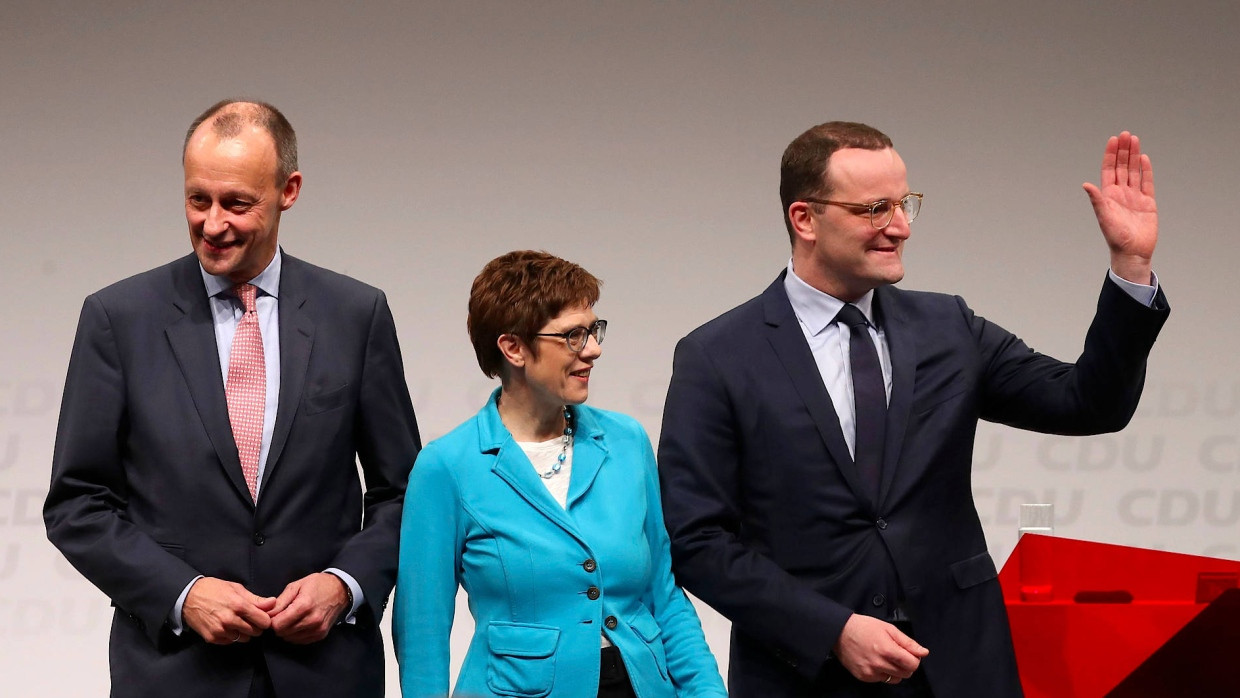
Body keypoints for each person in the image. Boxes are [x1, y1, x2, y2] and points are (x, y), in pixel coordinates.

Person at [656, 122, 1169, 697]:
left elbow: (1089, 403)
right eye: (875, 208)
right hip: (808, 675)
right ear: (804, 219)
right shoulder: (718, 355)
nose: (899, 227)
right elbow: (696, 538)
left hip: (961, 668)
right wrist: (833, 630)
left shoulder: (948, 328)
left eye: (904, 204)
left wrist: (1130, 266)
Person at [44, 99, 422, 697]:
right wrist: (182, 594)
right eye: (198, 200)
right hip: (175, 673)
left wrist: (344, 583)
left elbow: (404, 493)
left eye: (237, 204)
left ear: (288, 190)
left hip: (325, 673)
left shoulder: (355, 315)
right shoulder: (117, 318)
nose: (213, 224)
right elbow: (77, 505)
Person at [394, 250, 726, 698]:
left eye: (593, 330)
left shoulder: (627, 441)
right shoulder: (447, 466)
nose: (593, 348)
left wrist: (706, 692)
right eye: (572, 336)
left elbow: (663, 594)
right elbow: (423, 632)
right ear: (513, 348)